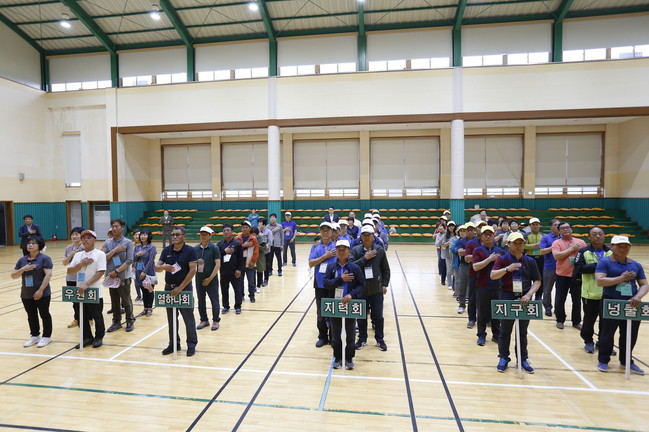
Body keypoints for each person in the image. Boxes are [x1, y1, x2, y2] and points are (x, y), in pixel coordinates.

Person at [595, 235, 648, 374]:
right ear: (611, 247)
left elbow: (644, 284)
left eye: (626, 246)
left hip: (632, 304)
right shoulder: (604, 262)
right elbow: (600, 281)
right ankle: (603, 360)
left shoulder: (635, 265)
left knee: (630, 333)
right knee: (607, 333)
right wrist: (621, 278)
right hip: (611, 302)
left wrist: (638, 296)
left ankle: (626, 361)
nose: (623, 249)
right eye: (619, 246)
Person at [491, 232, 542, 373]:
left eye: (521, 242)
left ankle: (522, 359)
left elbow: (537, 281)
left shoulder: (530, 261)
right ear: (508, 244)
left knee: (522, 331)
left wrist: (529, 294)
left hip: (524, 298)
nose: (518, 245)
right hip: (507, 296)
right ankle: (503, 357)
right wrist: (507, 269)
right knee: (505, 330)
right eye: (515, 242)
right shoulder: (502, 259)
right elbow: (493, 275)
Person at [155, 226, 199, 356]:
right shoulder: (166, 250)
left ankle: (191, 344)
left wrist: (180, 288)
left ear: (184, 236)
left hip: (184, 288)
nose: (174, 237)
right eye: (173, 234)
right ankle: (174, 344)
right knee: (171, 318)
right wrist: (163, 267)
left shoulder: (190, 250)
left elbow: (192, 271)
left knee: (188, 318)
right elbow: (156, 267)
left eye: (177, 235)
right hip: (169, 288)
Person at [323, 239, 365, 370]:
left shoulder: (355, 268)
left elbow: (362, 284)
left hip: (349, 305)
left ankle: (349, 358)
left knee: (350, 333)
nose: (341, 252)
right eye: (339, 250)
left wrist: (351, 295)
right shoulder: (331, 267)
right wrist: (340, 279)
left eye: (344, 250)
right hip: (335, 305)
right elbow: (326, 283)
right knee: (335, 334)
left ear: (349, 251)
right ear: (336, 252)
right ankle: (337, 357)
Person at [351, 225, 391, 351]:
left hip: (376, 289)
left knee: (378, 316)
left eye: (369, 235)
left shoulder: (380, 250)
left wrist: (384, 284)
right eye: (364, 235)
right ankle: (362, 339)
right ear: (361, 237)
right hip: (360, 290)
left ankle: (380, 339)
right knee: (361, 316)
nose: (367, 237)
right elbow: (351, 266)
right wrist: (364, 258)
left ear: (373, 236)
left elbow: (386, 269)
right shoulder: (355, 250)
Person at [574, 226, 611, 354]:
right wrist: (599, 265)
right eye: (594, 234)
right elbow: (579, 269)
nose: (598, 236)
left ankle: (603, 343)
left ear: (604, 236)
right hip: (590, 294)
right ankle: (588, 341)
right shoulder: (583, 252)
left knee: (606, 322)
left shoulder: (611, 252)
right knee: (589, 320)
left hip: (608, 293)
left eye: (600, 234)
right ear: (589, 237)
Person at [67, 230, 107, 348]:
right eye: (84, 238)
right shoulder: (78, 255)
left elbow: (101, 272)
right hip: (80, 291)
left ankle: (99, 337)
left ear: (94, 240)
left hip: (94, 290)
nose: (86, 240)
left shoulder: (100, 254)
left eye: (89, 237)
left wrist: (87, 284)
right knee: (81, 315)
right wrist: (81, 263)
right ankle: (87, 337)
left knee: (97, 315)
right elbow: (70, 271)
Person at [12, 236, 53, 348]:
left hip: (42, 293)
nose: (30, 245)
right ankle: (35, 335)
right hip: (26, 293)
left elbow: (48, 275)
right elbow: (13, 275)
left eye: (33, 243)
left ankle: (47, 336)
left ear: (39, 246)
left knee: (44, 314)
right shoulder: (22, 260)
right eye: (29, 243)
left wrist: (40, 290)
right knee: (31, 315)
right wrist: (23, 269)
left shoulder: (44, 258)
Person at [472, 226, 504, 346]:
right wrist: (489, 259)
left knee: (497, 312)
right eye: (485, 234)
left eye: (490, 234)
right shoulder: (478, 250)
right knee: (482, 312)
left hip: (497, 286)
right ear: (481, 236)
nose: (488, 236)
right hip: (482, 286)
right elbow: (475, 267)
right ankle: (481, 335)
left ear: (494, 236)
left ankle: (496, 334)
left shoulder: (500, 251)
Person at [552, 222, 587, 330]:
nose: (566, 229)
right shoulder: (557, 243)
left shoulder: (581, 242)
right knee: (560, 298)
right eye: (563, 228)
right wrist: (571, 249)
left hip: (577, 275)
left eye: (568, 227)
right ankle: (560, 320)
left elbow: (586, 256)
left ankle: (576, 321)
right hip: (562, 275)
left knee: (577, 299)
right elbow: (557, 256)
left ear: (571, 229)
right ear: (559, 231)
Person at [102, 219, 135, 333]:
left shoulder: (128, 242)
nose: (114, 228)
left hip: (123, 276)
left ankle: (130, 320)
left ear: (122, 227)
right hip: (110, 277)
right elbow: (104, 257)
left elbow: (129, 260)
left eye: (116, 226)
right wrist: (115, 250)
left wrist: (117, 271)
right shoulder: (107, 242)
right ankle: (116, 321)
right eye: (113, 226)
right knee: (114, 300)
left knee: (126, 300)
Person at [308, 222, 337, 347]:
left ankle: (333, 337)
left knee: (332, 311)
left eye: (327, 230)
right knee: (321, 313)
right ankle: (322, 337)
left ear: (331, 232)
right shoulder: (315, 247)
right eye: (323, 230)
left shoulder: (336, 247)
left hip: (333, 284)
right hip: (319, 284)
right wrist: (325, 256)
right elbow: (311, 263)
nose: (325, 232)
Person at [194, 226, 221, 331]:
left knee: (214, 300)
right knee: (201, 300)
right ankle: (204, 319)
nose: (203, 236)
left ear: (210, 236)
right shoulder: (195, 248)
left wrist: (210, 278)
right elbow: (191, 264)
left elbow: (217, 264)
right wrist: (196, 263)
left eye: (205, 234)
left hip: (212, 280)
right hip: (199, 279)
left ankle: (216, 320)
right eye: (202, 234)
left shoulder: (214, 248)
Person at [218, 224, 244, 314]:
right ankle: (225, 306)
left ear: (232, 232)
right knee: (224, 290)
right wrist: (224, 251)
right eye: (224, 230)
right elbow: (217, 256)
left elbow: (241, 258)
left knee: (237, 289)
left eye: (228, 230)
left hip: (234, 271)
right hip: (223, 271)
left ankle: (238, 306)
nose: (226, 232)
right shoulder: (220, 244)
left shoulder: (237, 244)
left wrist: (239, 269)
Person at [464, 221, 485, 328]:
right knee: (472, 297)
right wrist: (481, 257)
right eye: (479, 227)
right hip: (474, 274)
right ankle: (472, 319)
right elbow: (467, 258)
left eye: (483, 227)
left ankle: (487, 319)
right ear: (476, 230)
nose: (481, 229)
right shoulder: (471, 243)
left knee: (487, 298)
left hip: (487, 275)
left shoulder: (491, 242)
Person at [63, 227, 85, 328]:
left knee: (83, 299)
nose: (74, 236)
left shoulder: (84, 247)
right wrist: (71, 255)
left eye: (77, 234)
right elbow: (64, 263)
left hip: (81, 277)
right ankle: (77, 318)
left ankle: (88, 318)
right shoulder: (68, 248)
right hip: (70, 277)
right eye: (73, 234)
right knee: (74, 300)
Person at [540, 218, 561, 316]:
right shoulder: (546, 238)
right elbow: (542, 251)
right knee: (547, 290)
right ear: (551, 227)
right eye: (555, 225)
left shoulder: (564, 237)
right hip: (549, 267)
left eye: (559, 225)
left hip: (562, 268)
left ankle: (558, 308)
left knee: (560, 290)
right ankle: (548, 308)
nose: (557, 227)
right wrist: (554, 246)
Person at [134, 229, 157, 318]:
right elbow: (133, 259)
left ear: (149, 236)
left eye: (145, 235)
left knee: (149, 290)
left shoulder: (152, 247)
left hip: (149, 272)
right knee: (143, 290)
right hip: (138, 272)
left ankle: (150, 308)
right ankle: (145, 308)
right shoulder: (137, 247)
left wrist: (144, 272)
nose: (142, 236)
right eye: (141, 235)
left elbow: (151, 261)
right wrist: (137, 255)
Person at [237, 220, 259, 303]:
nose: (244, 229)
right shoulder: (237, 238)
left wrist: (253, 262)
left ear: (249, 229)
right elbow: (235, 249)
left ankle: (252, 296)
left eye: (246, 227)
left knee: (251, 281)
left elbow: (256, 251)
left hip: (250, 264)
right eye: (243, 227)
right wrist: (244, 245)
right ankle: (241, 295)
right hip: (240, 264)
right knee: (240, 281)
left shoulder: (253, 239)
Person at [523, 218, 544, 301]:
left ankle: (539, 296)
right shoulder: (526, 235)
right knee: (528, 277)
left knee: (540, 278)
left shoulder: (543, 235)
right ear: (530, 226)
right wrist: (535, 245)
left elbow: (545, 246)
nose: (535, 226)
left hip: (541, 258)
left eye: (537, 224)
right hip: (529, 258)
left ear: (539, 225)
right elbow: (523, 246)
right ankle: (528, 295)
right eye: (533, 224)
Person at [450, 224, 469, 313]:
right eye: (460, 231)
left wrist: (466, 251)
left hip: (472, 265)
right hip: (460, 264)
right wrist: (458, 251)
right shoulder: (457, 241)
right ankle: (460, 298)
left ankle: (467, 297)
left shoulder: (473, 241)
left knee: (470, 283)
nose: (462, 233)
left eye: (464, 231)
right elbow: (453, 249)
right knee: (460, 282)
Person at [258, 218, 273, 286]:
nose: (259, 224)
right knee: (259, 266)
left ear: (264, 224)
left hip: (266, 252)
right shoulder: (257, 231)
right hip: (259, 252)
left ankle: (266, 280)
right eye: (258, 222)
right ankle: (260, 280)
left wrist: (264, 247)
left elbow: (270, 242)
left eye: (260, 223)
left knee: (266, 266)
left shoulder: (268, 231)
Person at [132, 229, 142, 302]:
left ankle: (145, 295)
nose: (137, 236)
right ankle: (138, 295)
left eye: (139, 234)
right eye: (136, 234)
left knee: (142, 281)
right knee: (136, 282)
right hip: (133, 265)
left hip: (141, 265)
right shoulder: (131, 245)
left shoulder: (144, 244)